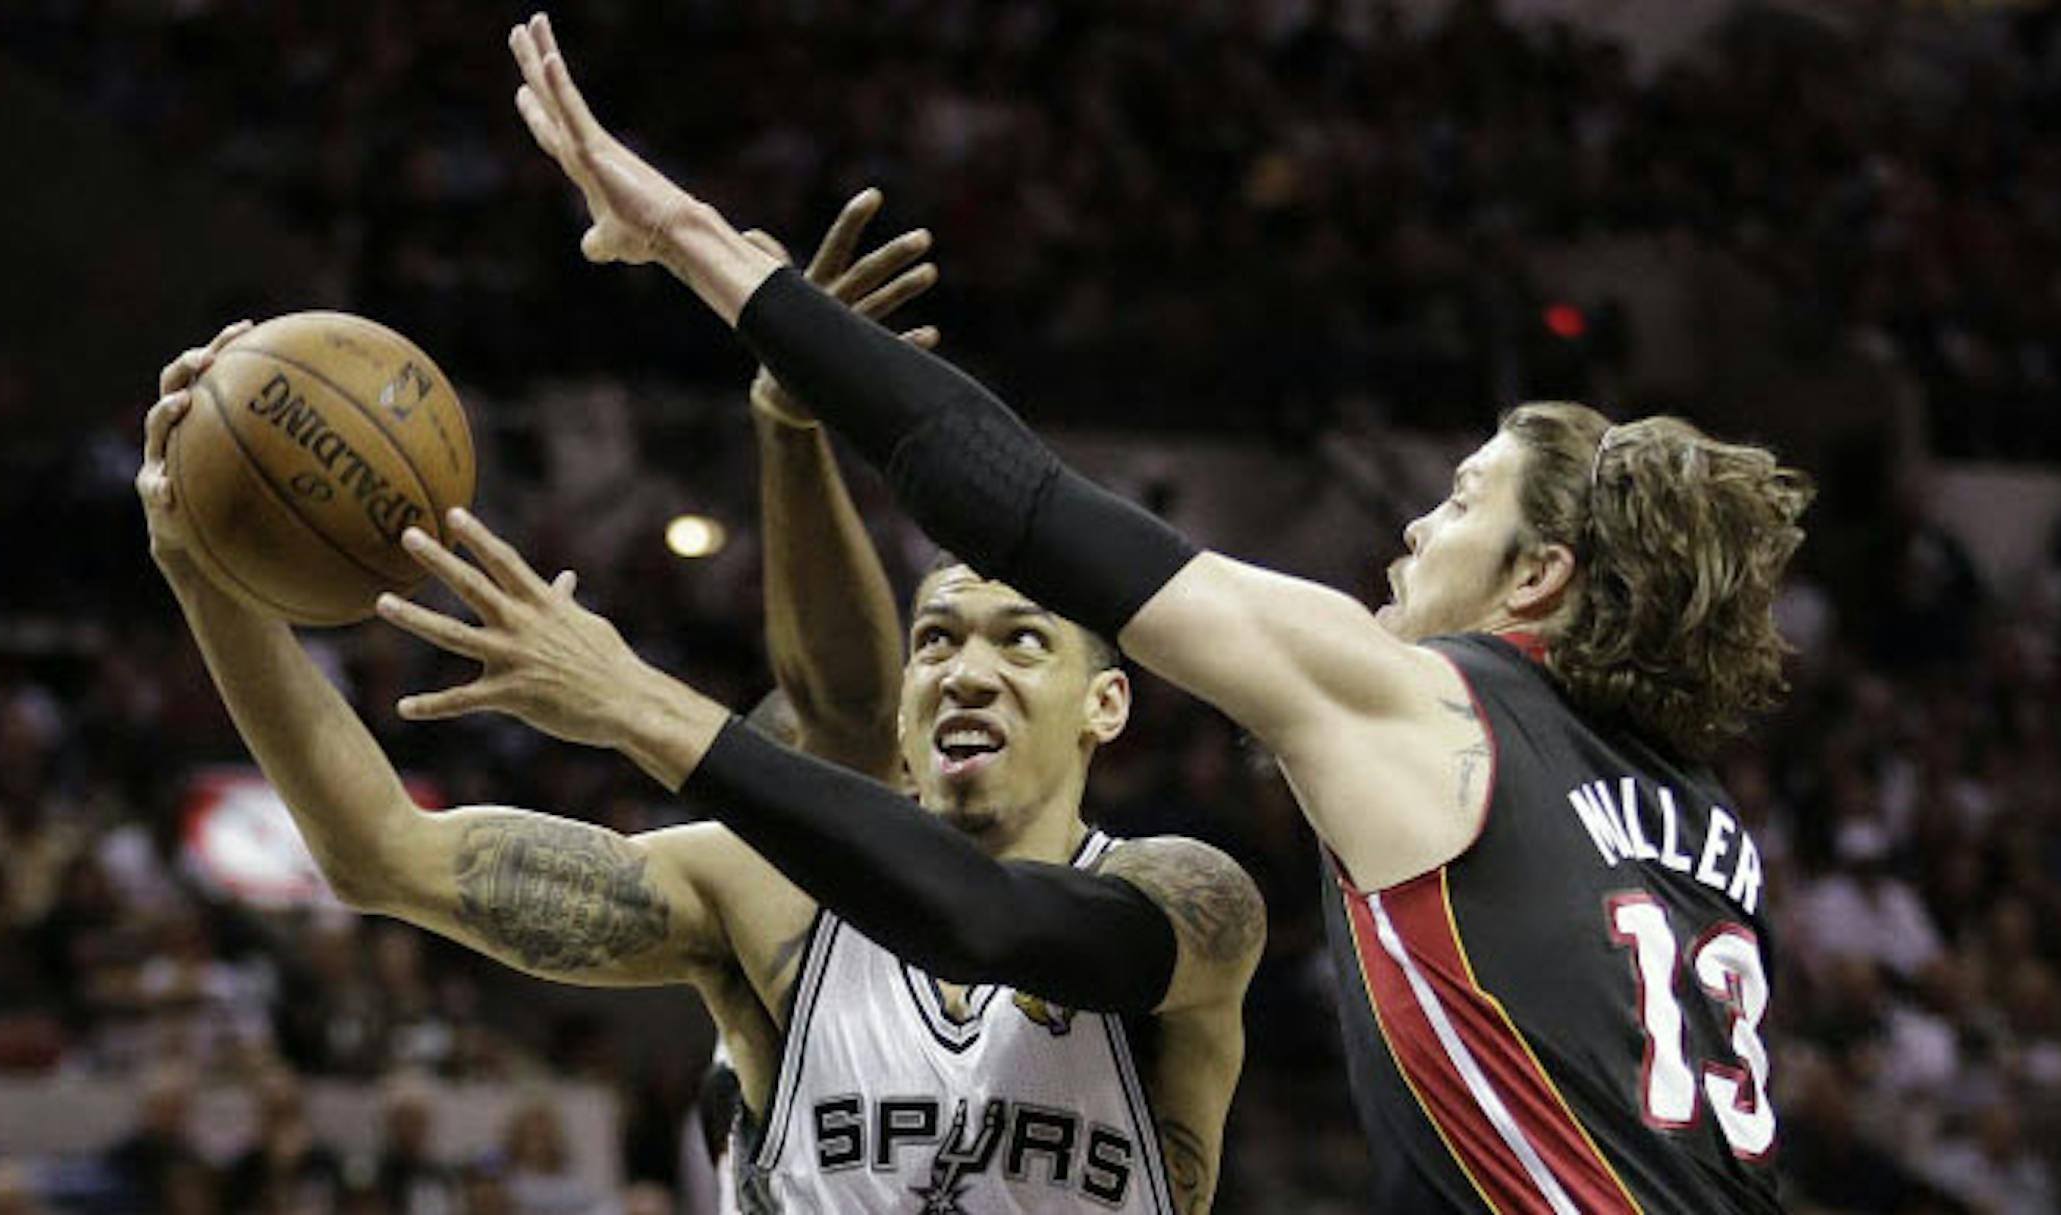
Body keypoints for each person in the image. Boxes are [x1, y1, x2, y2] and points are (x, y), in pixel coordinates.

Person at [503, 12, 1813, 1211]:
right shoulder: (1702, 815)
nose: (1416, 525)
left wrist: (697, 246)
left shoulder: (1430, 695)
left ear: (1538, 580)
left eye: (1463, 501)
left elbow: (1019, 503)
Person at [137, 202, 1264, 1212]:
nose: (965, 671)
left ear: (1106, 704)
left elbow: (989, 917)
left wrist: (633, 699)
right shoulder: (761, 896)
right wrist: (206, 575)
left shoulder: (1190, 899)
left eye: (1022, 641)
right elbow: (381, 854)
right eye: (937, 641)